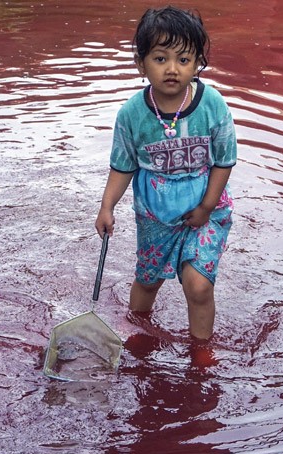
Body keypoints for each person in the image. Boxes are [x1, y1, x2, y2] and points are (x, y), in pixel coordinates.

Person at [94, 6, 236, 341]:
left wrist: (206, 207)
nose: (172, 69)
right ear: (140, 63)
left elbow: (224, 161)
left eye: (183, 60)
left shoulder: (212, 104)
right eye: (160, 59)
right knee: (148, 280)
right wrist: (107, 207)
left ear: (198, 63)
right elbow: (123, 165)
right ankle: (137, 332)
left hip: (205, 208)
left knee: (198, 285)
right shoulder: (132, 114)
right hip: (156, 215)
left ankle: (201, 352)